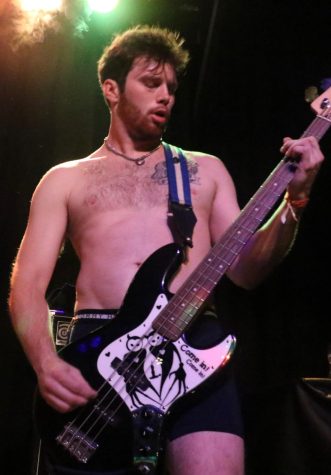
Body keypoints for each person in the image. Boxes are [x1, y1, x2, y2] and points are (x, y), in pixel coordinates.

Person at [8, 25, 324, 475]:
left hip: (194, 344)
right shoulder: (65, 179)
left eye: (172, 88)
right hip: (100, 352)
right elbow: (28, 283)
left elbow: (246, 271)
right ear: (111, 89)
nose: (166, 97)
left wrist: (295, 202)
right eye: (151, 83)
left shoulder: (205, 170)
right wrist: (43, 361)